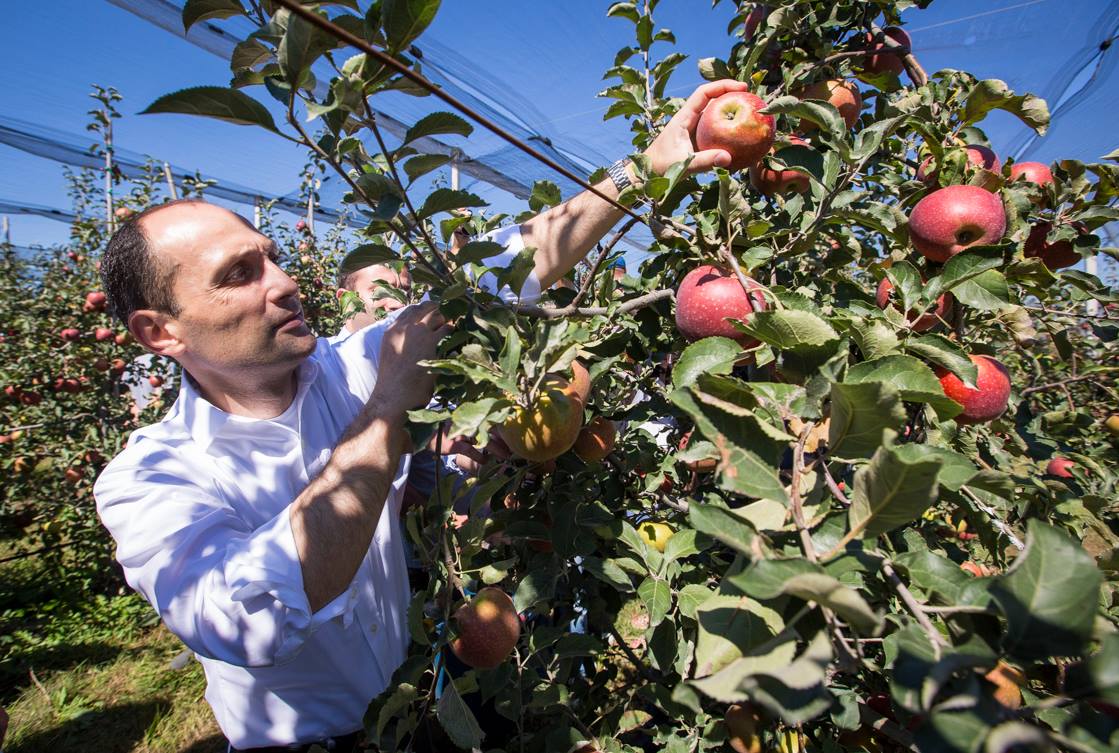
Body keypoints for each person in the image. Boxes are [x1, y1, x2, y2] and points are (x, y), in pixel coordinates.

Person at [92, 80, 752, 752]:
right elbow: (244, 620)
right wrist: (386, 410)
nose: (284, 282)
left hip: (416, 712)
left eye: (273, 257)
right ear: (160, 332)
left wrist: (639, 171)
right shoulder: (148, 477)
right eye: (239, 274)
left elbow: (501, 269)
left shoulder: (347, 368)